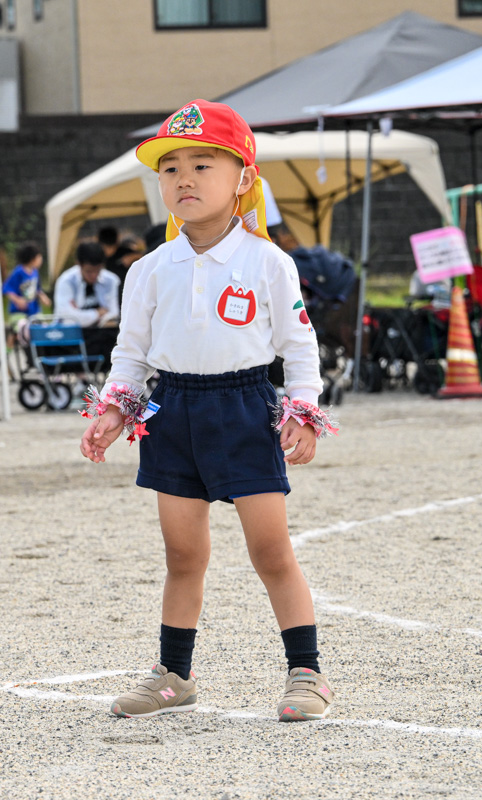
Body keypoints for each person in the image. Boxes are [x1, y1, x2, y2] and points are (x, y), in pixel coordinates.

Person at [79, 99, 338, 722]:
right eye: (170, 169)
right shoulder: (147, 269)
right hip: (171, 410)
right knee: (183, 556)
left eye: (202, 165)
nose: (184, 179)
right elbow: (130, 353)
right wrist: (115, 410)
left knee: (271, 551)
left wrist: (302, 410)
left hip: (245, 408)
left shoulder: (268, 262)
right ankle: (174, 676)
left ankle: (307, 674)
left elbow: (300, 346)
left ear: (244, 178)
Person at [53, 241, 121, 364]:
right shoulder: (66, 281)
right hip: (72, 339)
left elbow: (113, 313)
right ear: (78, 264)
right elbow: (67, 318)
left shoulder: (111, 280)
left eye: (98, 270)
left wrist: (82, 316)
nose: (94, 275)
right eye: (89, 271)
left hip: (100, 338)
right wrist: (98, 313)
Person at [3, 241, 50, 320]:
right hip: (19, 312)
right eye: (39, 257)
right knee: (21, 326)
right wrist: (17, 300)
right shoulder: (18, 272)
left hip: (34, 311)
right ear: (32, 259)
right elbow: (7, 288)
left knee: (42, 326)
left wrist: (43, 297)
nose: (41, 259)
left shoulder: (35, 272)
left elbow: (37, 289)